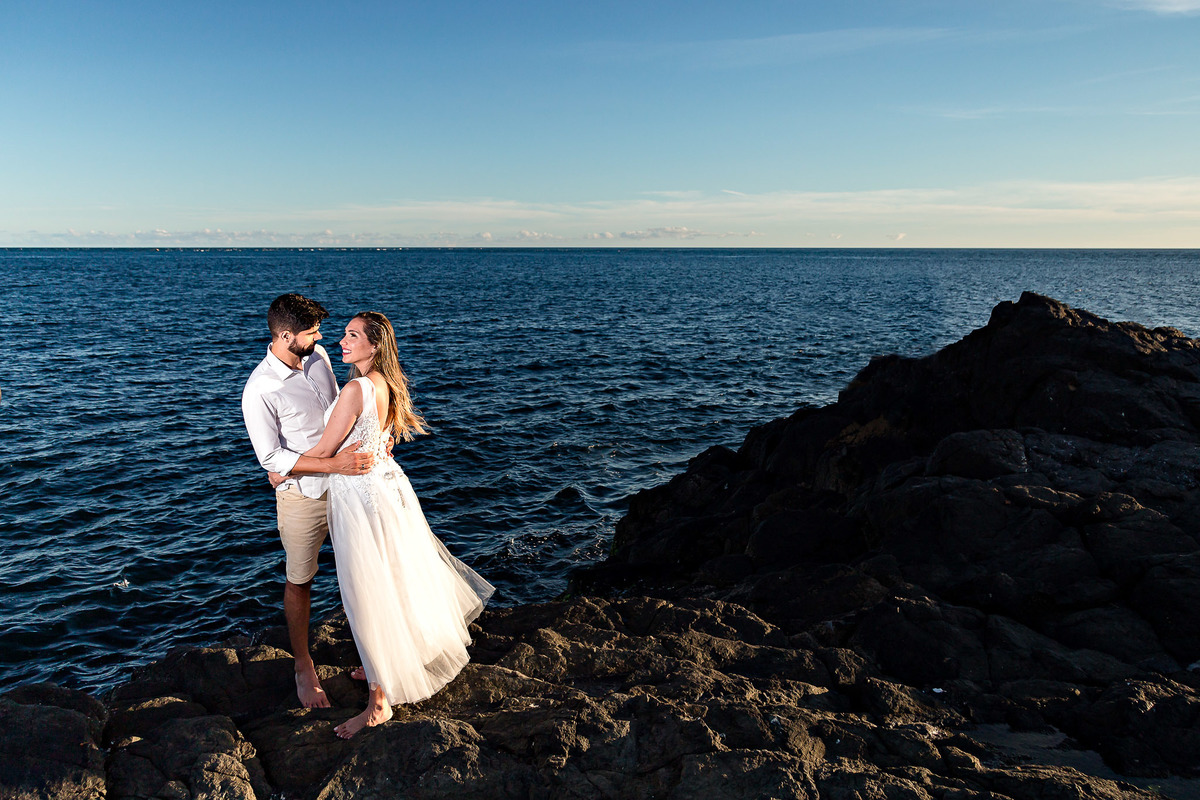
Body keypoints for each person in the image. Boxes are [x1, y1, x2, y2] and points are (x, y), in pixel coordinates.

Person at [302, 311, 493, 739]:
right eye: (344, 334)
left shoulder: (354, 389)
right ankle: (382, 665)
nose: (342, 342)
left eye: (353, 336)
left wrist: (282, 466)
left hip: (363, 499)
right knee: (394, 580)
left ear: (374, 346)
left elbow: (325, 451)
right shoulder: (386, 384)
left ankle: (378, 703)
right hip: (389, 491)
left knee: (368, 591)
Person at [241, 294, 375, 709]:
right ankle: (303, 665)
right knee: (301, 580)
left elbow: (342, 414)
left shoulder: (317, 358)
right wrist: (330, 464)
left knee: (362, 570)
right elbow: (270, 458)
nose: (322, 338)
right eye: (312, 331)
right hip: (303, 497)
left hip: (349, 485)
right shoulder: (259, 389)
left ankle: (373, 655)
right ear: (285, 336)